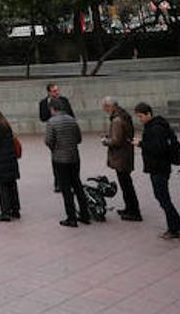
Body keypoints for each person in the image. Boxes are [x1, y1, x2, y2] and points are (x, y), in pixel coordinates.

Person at [134, 102, 180, 240]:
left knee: (163, 198)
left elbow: (158, 149)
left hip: (159, 168)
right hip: (158, 167)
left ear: (148, 114)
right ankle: (177, 225)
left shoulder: (156, 128)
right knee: (162, 197)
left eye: (141, 116)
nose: (140, 119)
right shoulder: (155, 126)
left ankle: (173, 229)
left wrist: (141, 144)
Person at [44, 96, 90, 226]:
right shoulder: (72, 120)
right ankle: (85, 214)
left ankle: (71, 217)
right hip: (74, 157)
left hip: (59, 158)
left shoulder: (51, 122)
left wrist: (55, 148)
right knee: (77, 185)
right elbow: (79, 138)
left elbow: (48, 140)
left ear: (52, 109)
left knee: (66, 188)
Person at [100, 96, 142, 221]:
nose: (105, 110)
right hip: (126, 154)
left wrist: (106, 141)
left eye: (105, 107)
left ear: (110, 106)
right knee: (126, 184)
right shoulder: (123, 116)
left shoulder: (117, 119)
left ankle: (133, 211)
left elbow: (116, 140)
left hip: (121, 156)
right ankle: (129, 208)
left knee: (126, 185)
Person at [0, 107, 20, 222]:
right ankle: (15, 210)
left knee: (2, 187)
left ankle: (5, 212)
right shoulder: (6, 125)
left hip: (1, 160)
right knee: (12, 185)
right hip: (11, 159)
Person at [39, 83, 72, 190]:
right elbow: (43, 117)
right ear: (49, 92)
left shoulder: (64, 100)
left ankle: (70, 180)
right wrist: (51, 112)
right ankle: (58, 182)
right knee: (56, 158)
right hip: (53, 132)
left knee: (70, 157)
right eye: (54, 91)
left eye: (57, 90)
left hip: (66, 132)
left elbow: (71, 115)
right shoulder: (43, 103)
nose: (57, 92)